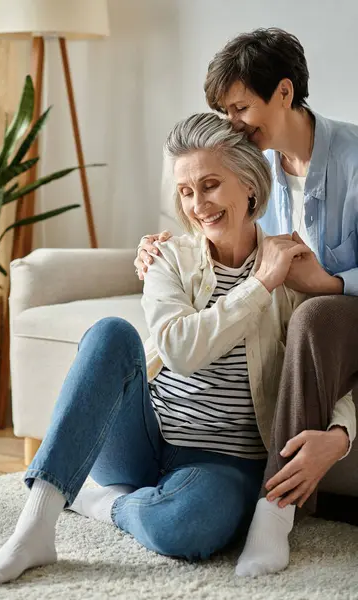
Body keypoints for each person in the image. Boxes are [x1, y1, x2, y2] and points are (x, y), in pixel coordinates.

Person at [0, 113, 355, 588]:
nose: (199, 204)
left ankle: (101, 502)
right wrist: (257, 285)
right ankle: (34, 526)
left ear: (250, 187)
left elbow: (321, 368)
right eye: (187, 192)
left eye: (211, 185)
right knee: (110, 333)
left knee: (184, 529)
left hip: (226, 459)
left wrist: (343, 430)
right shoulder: (169, 257)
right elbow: (178, 350)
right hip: (143, 440)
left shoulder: (289, 268)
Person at [135, 28, 358, 576]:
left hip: (339, 315)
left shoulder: (354, 158)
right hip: (302, 330)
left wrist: (328, 283)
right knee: (297, 318)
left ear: (284, 93)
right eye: (224, 111)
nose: (232, 124)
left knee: (313, 313)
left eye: (240, 108)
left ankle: (273, 512)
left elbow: (306, 288)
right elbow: (232, 242)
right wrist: (167, 247)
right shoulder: (262, 175)